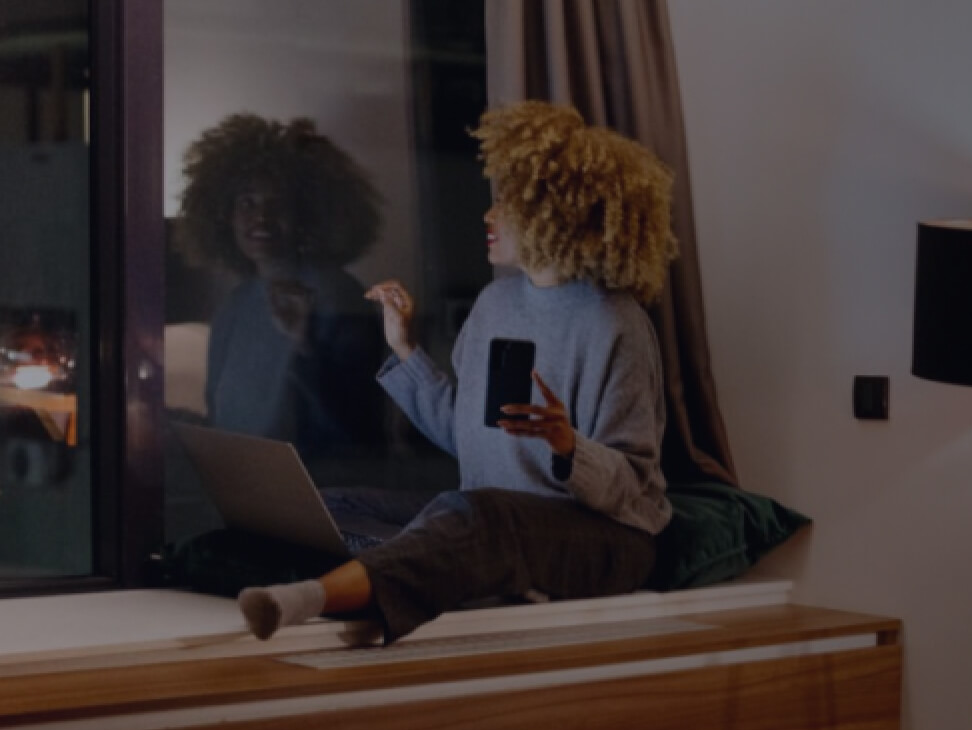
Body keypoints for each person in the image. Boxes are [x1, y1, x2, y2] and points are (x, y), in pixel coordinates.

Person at [238, 101, 678, 643]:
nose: (488, 217)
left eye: (508, 204)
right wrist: (405, 349)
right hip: (489, 512)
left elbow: (634, 487)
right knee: (338, 503)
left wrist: (569, 447)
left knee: (479, 518)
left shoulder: (616, 322)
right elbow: (463, 435)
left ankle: (312, 598)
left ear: (556, 209)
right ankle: (464, 570)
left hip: (601, 537)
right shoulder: (496, 303)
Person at [176, 115, 389, 459]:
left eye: (278, 203)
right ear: (224, 214)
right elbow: (220, 417)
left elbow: (358, 427)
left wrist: (303, 347)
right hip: (242, 489)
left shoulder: (337, 294)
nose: (261, 217)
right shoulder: (235, 305)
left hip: (318, 494)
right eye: (247, 202)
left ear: (304, 214)